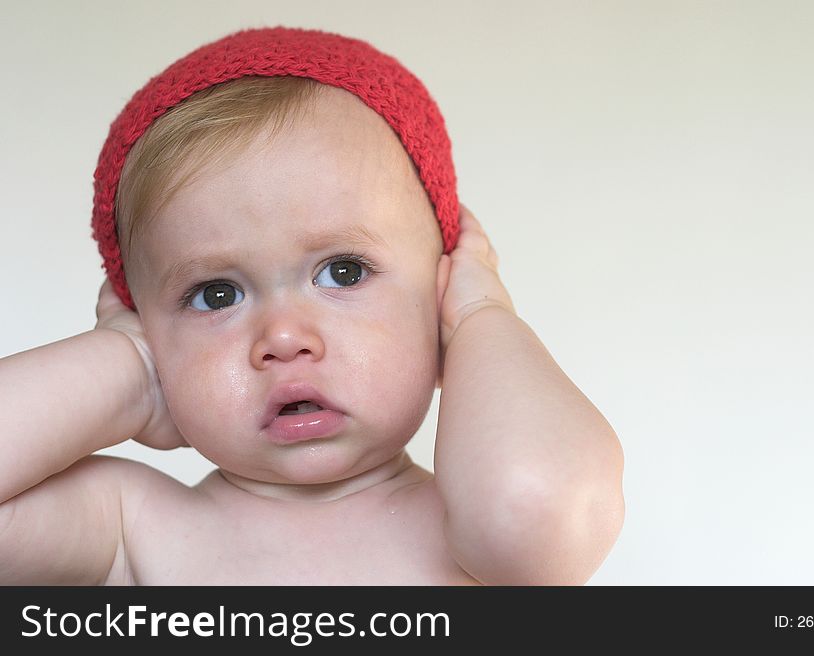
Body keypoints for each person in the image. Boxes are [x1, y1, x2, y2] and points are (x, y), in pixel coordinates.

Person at [0, 27, 624, 585]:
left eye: (343, 272)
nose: (284, 337)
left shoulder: (470, 534)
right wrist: (130, 371)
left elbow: (538, 510)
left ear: (438, 294)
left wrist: (480, 318)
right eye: (215, 295)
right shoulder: (132, 531)